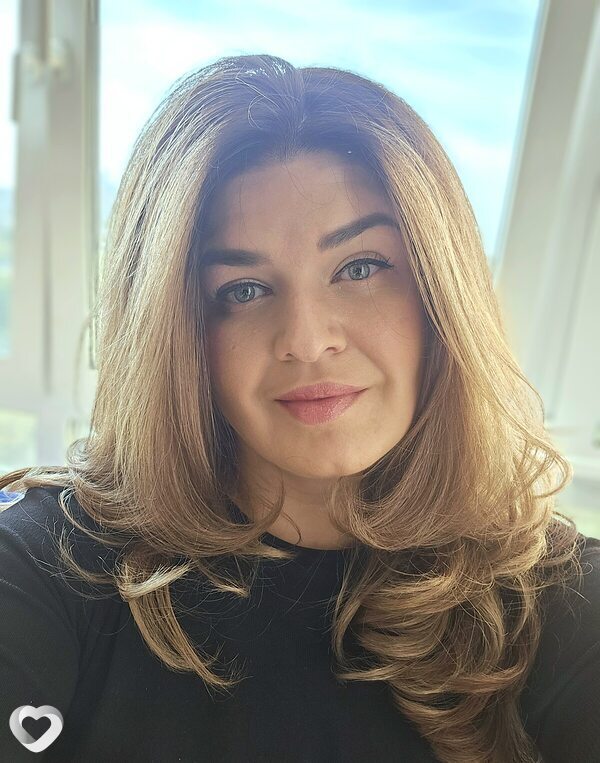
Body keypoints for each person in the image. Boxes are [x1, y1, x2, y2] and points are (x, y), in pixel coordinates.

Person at [0, 53, 598, 763]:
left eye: (360, 267)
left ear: (441, 293)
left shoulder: (562, 602)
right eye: (244, 290)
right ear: (177, 331)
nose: (308, 341)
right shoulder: (43, 565)